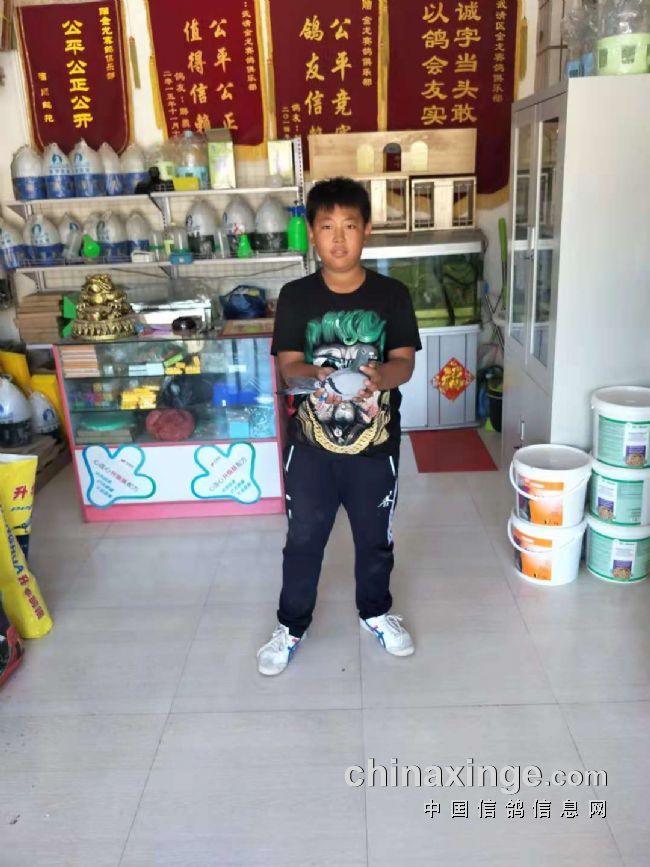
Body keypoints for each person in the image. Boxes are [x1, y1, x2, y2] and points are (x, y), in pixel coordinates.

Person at [257, 177, 421, 676]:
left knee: (375, 539)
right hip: (310, 449)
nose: (339, 238)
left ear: (366, 230)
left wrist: (379, 378)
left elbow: (404, 361)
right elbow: (288, 365)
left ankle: (375, 612)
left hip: (375, 448)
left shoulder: (392, 295)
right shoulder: (295, 296)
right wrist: (318, 374)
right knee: (304, 539)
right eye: (327, 226)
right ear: (311, 233)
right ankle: (291, 625)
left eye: (349, 225)